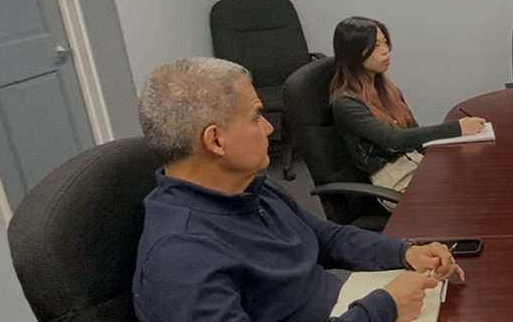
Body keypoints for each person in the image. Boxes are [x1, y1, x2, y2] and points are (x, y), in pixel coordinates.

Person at [133, 57, 463, 321]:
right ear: (215, 140)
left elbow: (326, 237)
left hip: (343, 302)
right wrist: (384, 309)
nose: (268, 128)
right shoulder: (180, 257)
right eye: (256, 117)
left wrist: (404, 252)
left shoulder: (248, 188)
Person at [331, 17, 486, 205]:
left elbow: (414, 133)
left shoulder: (386, 88)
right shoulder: (346, 104)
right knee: (462, 201)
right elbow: (394, 140)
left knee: (476, 177)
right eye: (375, 46)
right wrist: (458, 128)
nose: (385, 51)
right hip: (391, 180)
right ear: (353, 53)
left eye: (385, 43)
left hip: (413, 162)